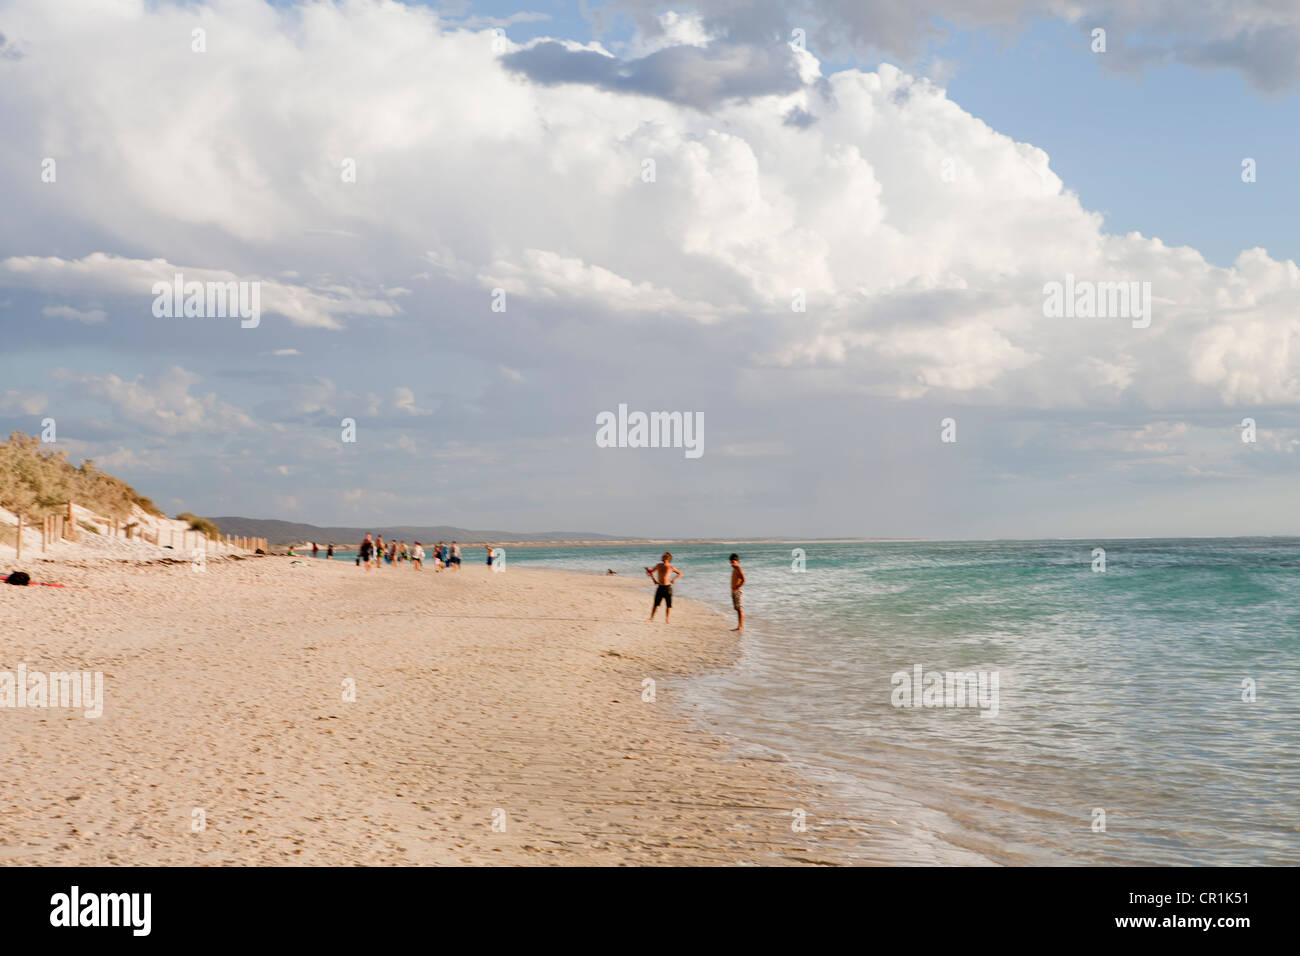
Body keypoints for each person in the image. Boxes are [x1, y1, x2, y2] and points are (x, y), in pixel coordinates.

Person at [645, 552, 682, 623]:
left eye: (663, 556)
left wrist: (674, 580)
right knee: (656, 604)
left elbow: (680, 573)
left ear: (667, 558)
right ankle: (651, 618)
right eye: (662, 556)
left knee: (668, 604)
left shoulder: (671, 567)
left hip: (668, 587)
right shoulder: (658, 565)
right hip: (660, 587)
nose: (661, 557)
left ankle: (667, 619)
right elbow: (651, 572)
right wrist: (654, 580)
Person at [729, 553, 745, 631]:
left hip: (737, 591)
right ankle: (739, 626)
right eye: (731, 561)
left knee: (739, 609)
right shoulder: (734, 569)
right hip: (734, 591)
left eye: (734, 561)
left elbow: (743, 579)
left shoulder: (738, 569)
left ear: (737, 561)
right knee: (737, 609)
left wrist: (738, 587)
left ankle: (740, 627)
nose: (732, 563)